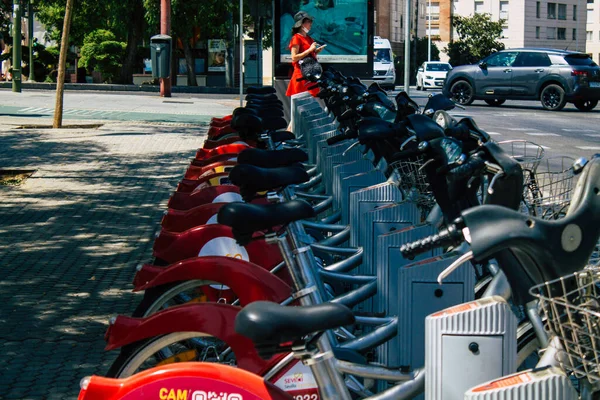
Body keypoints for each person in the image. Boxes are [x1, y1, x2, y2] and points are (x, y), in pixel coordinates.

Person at [285, 11, 326, 97]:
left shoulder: (308, 38)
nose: (311, 24)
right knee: (301, 103)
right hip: (301, 75)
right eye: (308, 21)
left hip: (310, 75)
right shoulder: (296, 38)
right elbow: (294, 57)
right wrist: (310, 50)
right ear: (301, 24)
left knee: (310, 103)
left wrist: (316, 51)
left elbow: (309, 55)